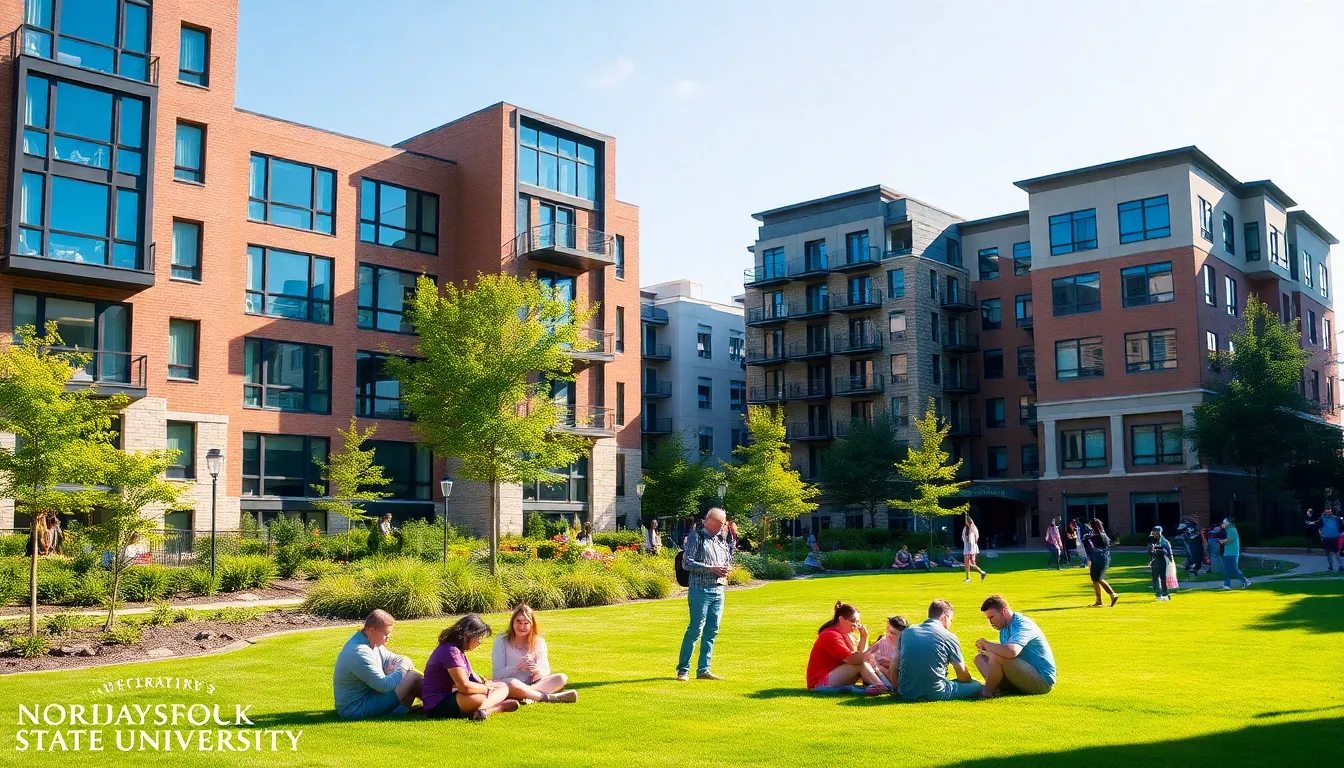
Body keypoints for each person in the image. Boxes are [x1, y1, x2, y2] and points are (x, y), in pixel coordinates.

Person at [333, 610, 423, 719]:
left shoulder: (373, 644)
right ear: (371, 630)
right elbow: (383, 686)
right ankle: (439, 706)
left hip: (370, 697)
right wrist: (403, 667)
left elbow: (395, 659)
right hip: (356, 709)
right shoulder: (359, 651)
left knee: (410, 675)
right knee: (413, 678)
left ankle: (404, 711)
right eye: (386, 633)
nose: (389, 636)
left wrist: (402, 664)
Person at [423, 614, 516, 720]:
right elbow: (464, 686)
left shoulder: (460, 652)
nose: (479, 642)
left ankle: (484, 710)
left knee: (503, 686)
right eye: (478, 638)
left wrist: (485, 684)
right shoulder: (450, 651)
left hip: (454, 695)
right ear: (467, 634)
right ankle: (495, 708)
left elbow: (474, 677)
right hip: (437, 705)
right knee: (479, 698)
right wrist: (486, 690)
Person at [676, 507, 733, 681]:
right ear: (711, 521)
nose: (723, 527)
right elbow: (687, 563)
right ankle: (683, 670)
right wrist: (711, 568)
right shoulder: (697, 537)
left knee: (712, 630)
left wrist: (726, 569)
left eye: (723, 524)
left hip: (718, 589)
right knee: (695, 630)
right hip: (700, 589)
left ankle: (703, 669)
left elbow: (727, 560)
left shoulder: (721, 540)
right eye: (721, 523)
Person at [892, 599, 982, 701]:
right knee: (977, 685)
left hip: (906, 692)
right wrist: (970, 680)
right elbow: (962, 674)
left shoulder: (907, 632)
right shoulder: (948, 636)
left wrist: (897, 690)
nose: (950, 624)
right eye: (951, 620)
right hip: (935, 693)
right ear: (944, 617)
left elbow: (894, 663)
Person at [490, 605, 578, 704]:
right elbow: (497, 674)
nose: (522, 626)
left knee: (561, 678)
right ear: (512, 622)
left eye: (526, 623)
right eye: (519, 622)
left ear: (532, 625)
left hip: (533, 684)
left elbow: (545, 671)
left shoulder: (539, 641)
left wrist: (535, 669)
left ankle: (528, 695)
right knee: (511, 682)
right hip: (509, 683)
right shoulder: (501, 641)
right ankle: (544, 697)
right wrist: (517, 666)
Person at [974, 595, 1056, 698]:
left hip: (1042, 680)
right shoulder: (1004, 630)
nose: (991, 622)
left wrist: (986, 644)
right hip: (1021, 675)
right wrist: (986, 650)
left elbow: (1011, 652)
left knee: (996, 657)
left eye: (992, 617)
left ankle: (987, 691)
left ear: (1004, 611)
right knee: (980, 658)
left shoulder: (1022, 624)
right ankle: (998, 689)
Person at [805, 602, 888, 694]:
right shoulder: (830, 635)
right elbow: (855, 660)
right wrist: (872, 649)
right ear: (841, 619)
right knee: (861, 664)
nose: (856, 625)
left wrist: (864, 636)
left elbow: (859, 655)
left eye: (857, 621)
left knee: (869, 660)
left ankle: (883, 686)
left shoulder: (846, 635)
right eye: (853, 621)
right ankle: (882, 687)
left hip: (834, 676)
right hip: (819, 684)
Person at [865, 616, 908, 689]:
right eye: (888, 630)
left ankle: (885, 686)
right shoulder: (884, 640)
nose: (888, 634)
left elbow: (903, 667)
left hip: (894, 678)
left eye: (892, 632)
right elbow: (868, 652)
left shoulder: (905, 646)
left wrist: (882, 666)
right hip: (880, 673)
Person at [1086, 519, 1119, 607]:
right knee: (1095, 579)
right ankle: (1098, 600)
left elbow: (1090, 548)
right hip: (1105, 558)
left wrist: (1087, 539)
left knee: (1098, 578)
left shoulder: (1093, 537)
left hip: (1097, 558)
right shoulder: (1104, 536)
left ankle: (1112, 594)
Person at [1220, 517, 1250, 589]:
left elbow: (1229, 540)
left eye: (1225, 522)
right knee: (1226, 569)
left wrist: (1221, 541)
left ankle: (1245, 580)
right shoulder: (1229, 530)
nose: (1223, 523)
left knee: (1234, 569)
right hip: (1228, 553)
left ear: (1229, 523)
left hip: (1232, 553)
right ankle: (1227, 585)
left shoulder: (1232, 530)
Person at [1148, 527, 1173, 601]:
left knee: (1162, 578)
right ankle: (1159, 595)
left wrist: (1158, 550)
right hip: (1155, 561)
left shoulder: (1163, 541)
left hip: (1162, 560)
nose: (1154, 533)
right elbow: (1150, 551)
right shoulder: (1152, 540)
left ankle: (1164, 594)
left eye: (1156, 531)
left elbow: (1167, 552)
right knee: (1156, 578)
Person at [961, 515, 987, 583]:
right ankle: (968, 577)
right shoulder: (965, 528)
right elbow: (963, 537)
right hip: (967, 546)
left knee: (971, 563)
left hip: (972, 547)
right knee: (967, 563)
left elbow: (976, 536)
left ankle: (981, 572)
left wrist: (973, 544)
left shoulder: (973, 527)